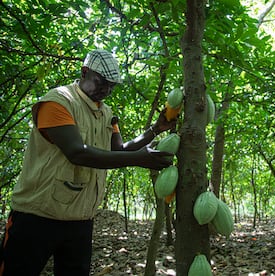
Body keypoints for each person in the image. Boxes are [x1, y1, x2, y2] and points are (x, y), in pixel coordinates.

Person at [0, 49, 176, 275]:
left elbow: (118, 149)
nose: (106, 90)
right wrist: (138, 159)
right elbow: (77, 153)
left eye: (112, 85)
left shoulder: (106, 113)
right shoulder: (59, 102)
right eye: (101, 82)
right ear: (85, 72)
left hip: (80, 220)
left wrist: (155, 130)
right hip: (37, 216)